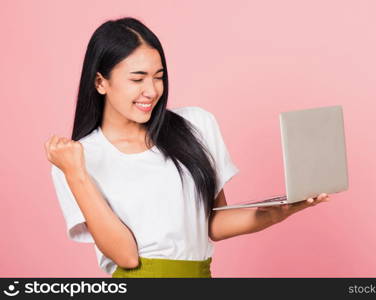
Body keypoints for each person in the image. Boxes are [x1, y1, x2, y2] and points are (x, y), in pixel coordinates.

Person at [43, 17, 330, 278]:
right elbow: (125, 256)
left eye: (159, 76)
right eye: (137, 78)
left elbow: (213, 224)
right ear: (100, 82)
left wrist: (282, 209)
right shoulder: (76, 159)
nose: (152, 90)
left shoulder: (196, 124)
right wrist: (76, 174)